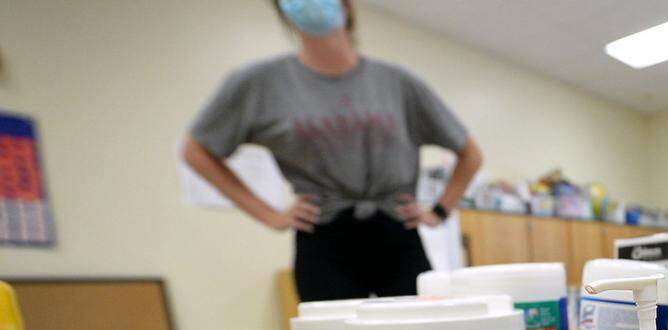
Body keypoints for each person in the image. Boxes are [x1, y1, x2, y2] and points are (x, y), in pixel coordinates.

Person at [182, 0, 482, 301]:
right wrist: (269, 215)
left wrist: (439, 211)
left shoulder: (398, 82)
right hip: (323, 239)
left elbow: (470, 154)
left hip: (397, 232)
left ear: (347, 6)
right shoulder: (258, 84)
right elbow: (196, 151)